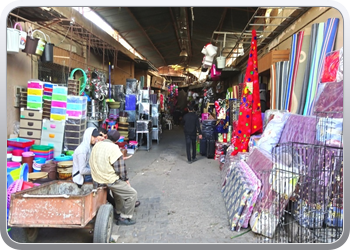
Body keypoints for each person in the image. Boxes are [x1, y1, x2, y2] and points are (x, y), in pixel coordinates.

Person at [89, 130, 139, 225]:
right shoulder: (114, 148)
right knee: (132, 194)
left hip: (96, 178)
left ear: (106, 136)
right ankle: (124, 217)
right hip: (108, 179)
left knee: (118, 193)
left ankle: (118, 212)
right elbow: (120, 168)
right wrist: (125, 179)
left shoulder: (97, 145)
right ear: (117, 141)